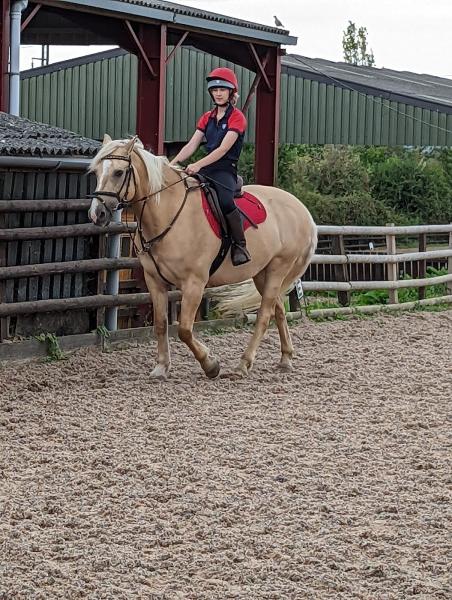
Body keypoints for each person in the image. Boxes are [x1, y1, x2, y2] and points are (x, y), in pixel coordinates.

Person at [170, 67, 251, 266]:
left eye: (223, 89)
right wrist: (171, 163)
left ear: (231, 92)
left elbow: (223, 150)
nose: (218, 93)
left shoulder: (237, 117)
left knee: (225, 201)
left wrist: (197, 164)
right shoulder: (207, 117)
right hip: (206, 168)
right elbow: (191, 145)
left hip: (225, 169)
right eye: (215, 90)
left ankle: (240, 245)